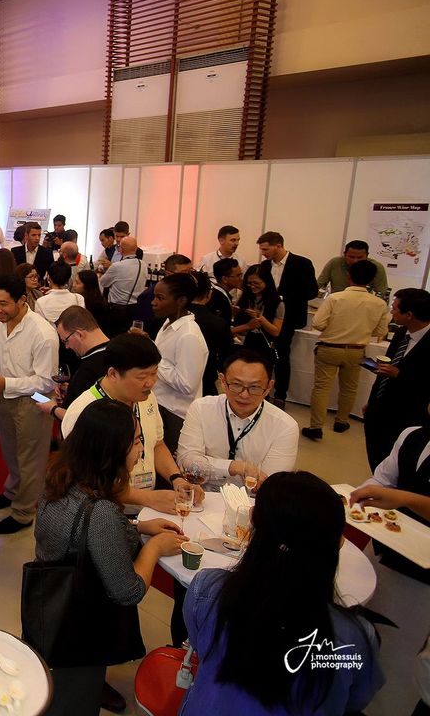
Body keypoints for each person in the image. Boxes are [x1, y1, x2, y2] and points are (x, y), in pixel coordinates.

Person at [181, 472, 383, 716]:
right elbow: (356, 698)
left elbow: (201, 646)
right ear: (337, 543)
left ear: (252, 521)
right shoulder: (353, 637)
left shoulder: (207, 589)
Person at [35, 399, 186, 716]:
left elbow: (81, 532)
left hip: (50, 612)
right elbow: (128, 591)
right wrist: (154, 547)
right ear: (112, 451)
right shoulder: (101, 511)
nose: (141, 450)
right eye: (136, 441)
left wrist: (137, 526)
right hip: (80, 631)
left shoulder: (61, 479)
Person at [62, 333, 202, 514]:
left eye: (155, 373)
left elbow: (156, 444)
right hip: (103, 514)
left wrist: (177, 479)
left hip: (147, 509)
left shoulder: (146, 397)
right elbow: (86, 482)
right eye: (142, 377)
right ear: (113, 374)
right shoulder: (83, 411)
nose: (150, 383)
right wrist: (148, 498)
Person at [351, 416, 430, 715]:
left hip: (422, 577)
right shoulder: (412, 435)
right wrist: (363, 493)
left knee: (401, 656)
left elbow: (396, 495)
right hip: (382, 550)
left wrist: (404, 499)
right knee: (362, 629)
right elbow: (382, 479)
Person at [0, 274, 57, 535]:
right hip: (5, 394)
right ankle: (12, 491)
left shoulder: (43, 333)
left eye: (4, 303)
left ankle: (24, 511)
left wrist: (6, 383)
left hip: (36, 400)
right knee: (10, 449)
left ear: (22, 300)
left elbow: (45, 381)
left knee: (31, 458)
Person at [177, 348, 298, 482]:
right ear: (223, 381)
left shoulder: (285, 426)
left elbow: (271, 482)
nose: (244, 395)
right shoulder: (201, 408)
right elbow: (186, 460)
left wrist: (210, 464)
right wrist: (233, 467)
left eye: (254, 387)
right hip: (201, 491)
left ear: (269, 387)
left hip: (251, 495)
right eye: (236, 385)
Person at [303, 259, 391, 440]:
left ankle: (316, 426)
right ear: (372, 279)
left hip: (330, 348)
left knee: (321, 388)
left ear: (349, 276)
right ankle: (341, 421)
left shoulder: (335, 298)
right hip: (356, 350)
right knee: (349, 388)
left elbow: (318, 323)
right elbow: (381, 331)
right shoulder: (379, 304)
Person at [364, 288, 430, 469]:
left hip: (407, 415)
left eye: (394, 308)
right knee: (376, 458)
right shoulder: (401, 333)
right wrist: (372, 402)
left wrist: (399, 375)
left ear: (409, 315)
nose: (391, 312)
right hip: (380, 409)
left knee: (395, 462)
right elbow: (386, 368)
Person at [144, 272, 209, 450]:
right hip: (159, 405)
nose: (153, 302)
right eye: (154, 297)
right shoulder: (168, 324)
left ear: (180, 301)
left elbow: (187, 385)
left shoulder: (189, 335)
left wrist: (154, 358)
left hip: (174, 414)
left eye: (160, 298)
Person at [257, 231, 320, 408]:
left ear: (278, 246)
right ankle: (262, 393)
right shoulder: (264, 266)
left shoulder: (302, 263)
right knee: (265, 356)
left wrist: (286, 297)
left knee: (282, 356)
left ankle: (280, 395)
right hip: (267, 317)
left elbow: (312, 291)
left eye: (266, 249)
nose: (263, 253)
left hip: (290, 317)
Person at [54, 306, 111, 410]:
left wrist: (53, 409)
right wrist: (72, 389)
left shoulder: (88, 370)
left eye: (66, 341)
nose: (67, 347)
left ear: (79, 334)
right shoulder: (119, 351)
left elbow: (73, 415)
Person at [188, 270, 234, 397]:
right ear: (209, 294)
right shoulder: (218, 323)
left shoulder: (169, 318)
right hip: (206, 379)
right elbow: (227, 357)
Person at [232, 263, 285, 371]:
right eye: (249, 283)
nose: (252, 286)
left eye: (256, 283)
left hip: (263, 346)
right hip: (244, 345)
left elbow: (276, 331)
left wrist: (260, 318)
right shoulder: (245, 298)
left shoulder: (277, 303)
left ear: (266, 281)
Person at [318, 239, 390, 297]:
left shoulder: (376, 267)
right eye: (351, 257)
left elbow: (381, 292)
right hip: (336, 302)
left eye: (360, 257)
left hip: (363, 304)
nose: (355, 261)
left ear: (367, 255)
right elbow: (319, 284)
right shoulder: (335, 263)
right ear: (345, 254)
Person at [99, 235, 147, 306]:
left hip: (117, 307)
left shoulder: (116, 266)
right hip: (136, 306)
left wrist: (102, 274)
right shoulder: (143, 265)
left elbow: (103, 283)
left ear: (121, 250)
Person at [208, 257, 241, 324]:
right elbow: (220, 328)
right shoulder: (219, 299)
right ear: (224, 279)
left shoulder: (220, 294)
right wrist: (248, 326)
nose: (240, 279)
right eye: (238, 275)